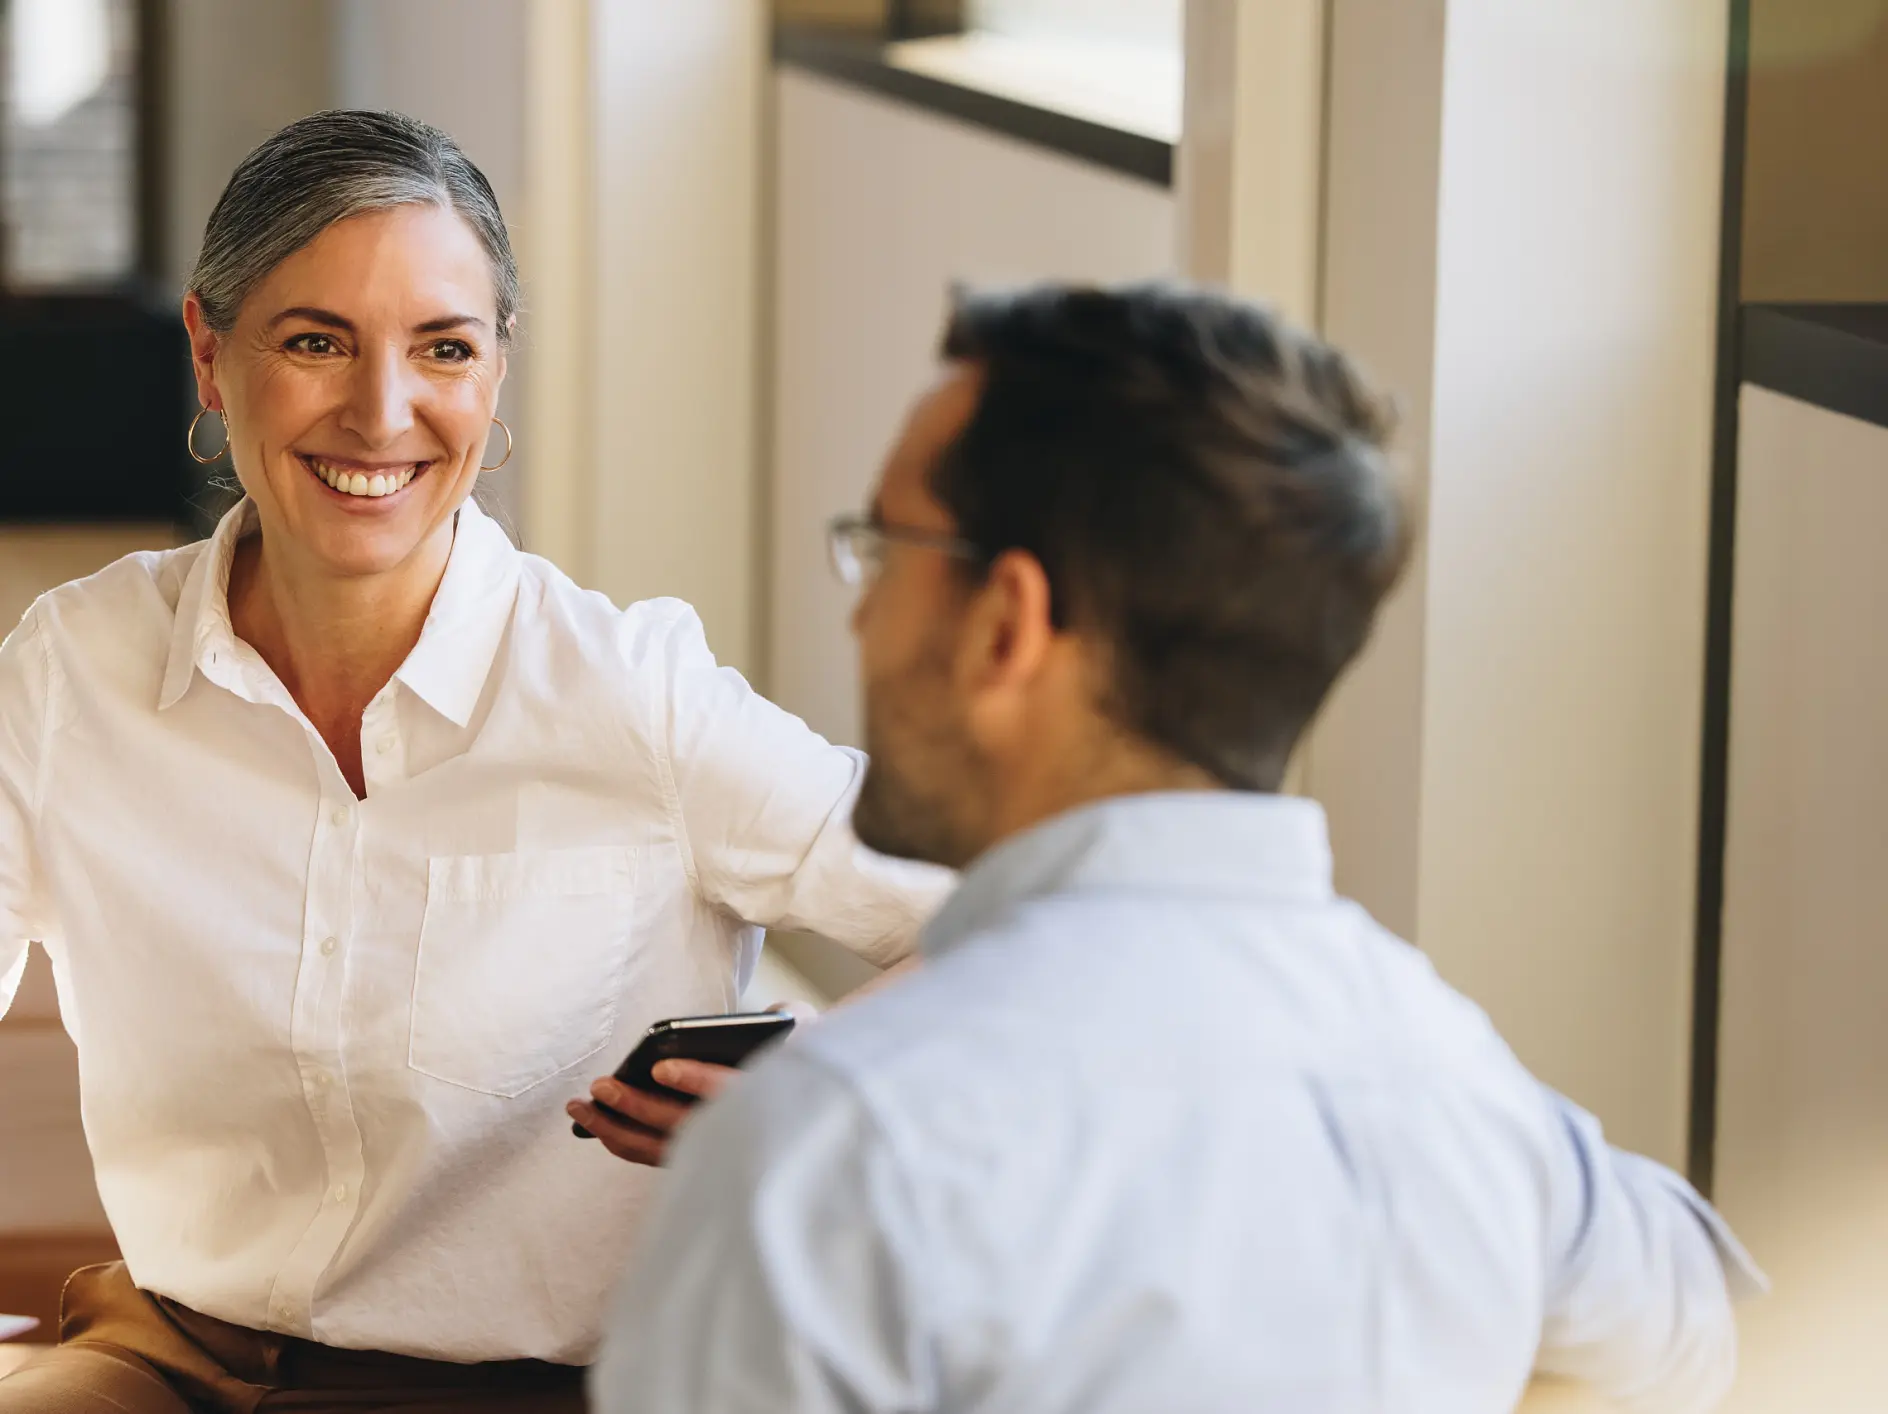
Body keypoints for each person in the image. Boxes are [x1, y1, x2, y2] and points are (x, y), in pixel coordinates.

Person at [591, 283, 1764, 1413]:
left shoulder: (829, 1153)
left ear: (1007, 623)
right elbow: (1725, 1336)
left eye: (885, 551)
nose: (859, 611)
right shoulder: (1471, 1098)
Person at [0, 110, 946, 1412]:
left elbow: (1016, 915)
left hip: (541, 1384)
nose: (380, 411)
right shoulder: (72, 671)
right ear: (211, 357)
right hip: (177, 1351)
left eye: (442, 347)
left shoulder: (629, 695)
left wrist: (827, 1078)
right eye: (316, 340)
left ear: (497, 372)